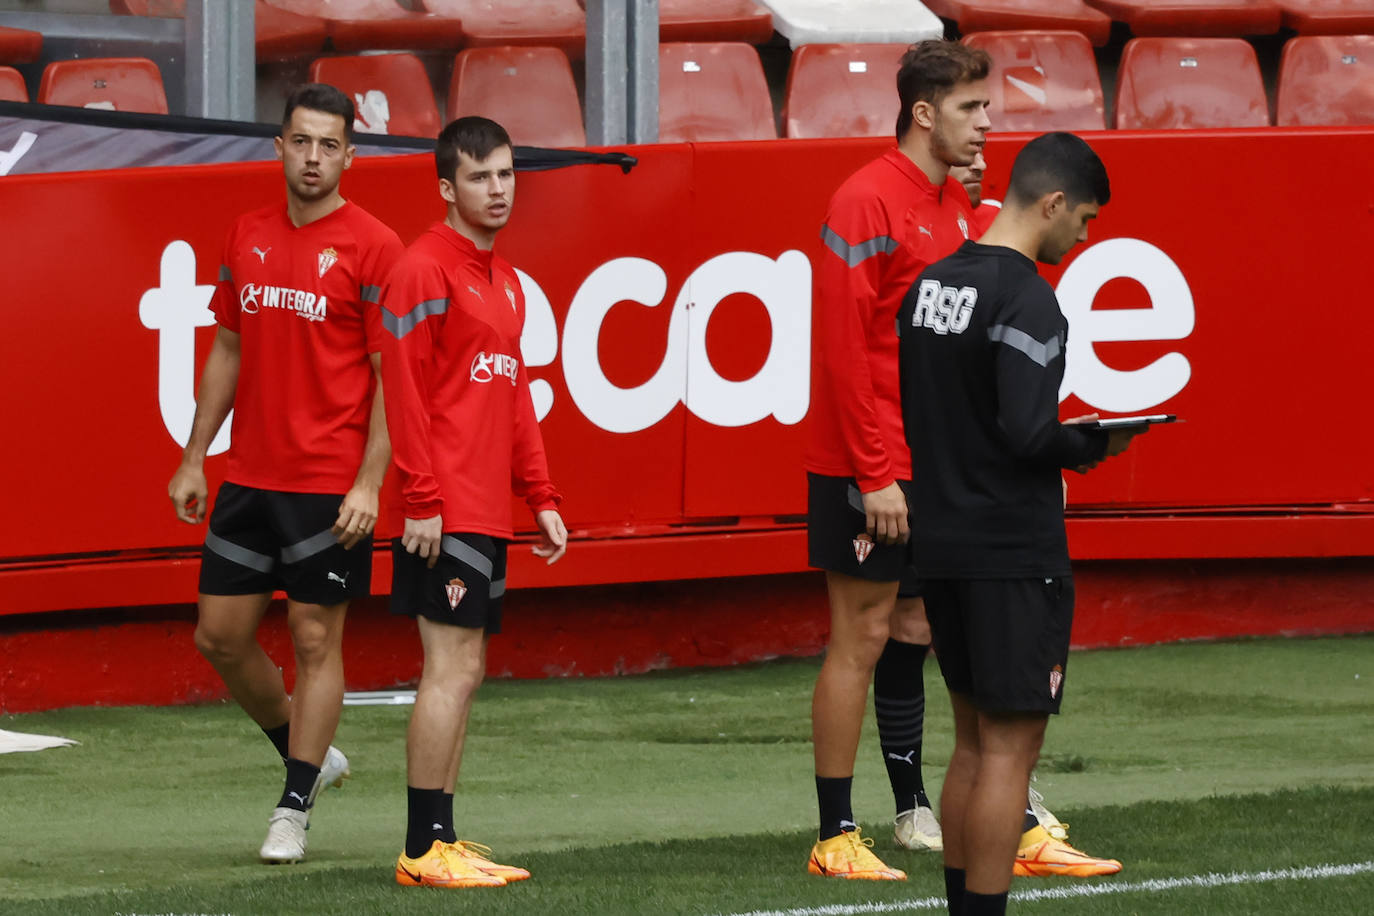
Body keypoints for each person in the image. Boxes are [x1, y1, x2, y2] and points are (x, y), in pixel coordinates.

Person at [897, 132, 1145, 915]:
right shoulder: (1030, 297)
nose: (1086, 234)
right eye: (1088, 217)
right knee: (1009, 750)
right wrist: (1096, 443)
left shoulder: (931, 285)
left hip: (942, 542)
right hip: (1010, 549)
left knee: (970, 740)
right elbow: (1029, 432)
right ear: (1053, 203)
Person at [167, 83, 402, 863]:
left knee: (312, 639)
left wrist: (369, 483)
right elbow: (227, 349)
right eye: (301, 141)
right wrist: (197, 453)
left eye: (328, 145)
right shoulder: (247, 233)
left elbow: (389, 380)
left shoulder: (375, 247)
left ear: (349, 155)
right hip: (249, 476)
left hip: (329, 486)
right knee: (220, 637)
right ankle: (310, 756)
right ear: (278, 146)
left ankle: (293, 807)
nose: (313, 158)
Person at [804, 39, 990, 881]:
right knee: (861, 636)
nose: (985, 126)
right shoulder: (864, 201)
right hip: (869, 460)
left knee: (919, 626)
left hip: (930, 459)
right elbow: (843, 350)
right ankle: (836, 834)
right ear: (924, 112)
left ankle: (924, 810)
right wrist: (873, 469)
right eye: (970, 109)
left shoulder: (952, 202)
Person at [380, 116, 568, 890]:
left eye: (506, 174)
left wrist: (542, 494)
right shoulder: (422, 270)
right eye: (482, 177)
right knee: (448, 669)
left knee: (467, 668)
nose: (498, 189)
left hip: (487, 506)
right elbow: (404, 393)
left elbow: (514, 397)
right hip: (445, 507)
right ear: (446, 187)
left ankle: (445, 838)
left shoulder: (505, 282)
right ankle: (422, 849)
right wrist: (421, 498)